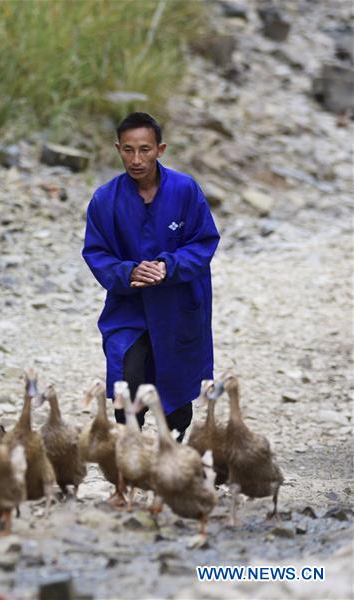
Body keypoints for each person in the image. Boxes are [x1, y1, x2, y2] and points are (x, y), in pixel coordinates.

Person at [81, 112, 220, 440]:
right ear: (118, 149)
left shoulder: (185, 190)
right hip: (129, 306)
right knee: (126, 377)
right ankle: (130, 454)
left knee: (174, 384)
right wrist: (128, 271)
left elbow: (204, 242)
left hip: (177, 303)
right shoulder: (105, 199)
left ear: (160, 149)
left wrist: (167, 266)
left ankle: (170, 454)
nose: (136, 159)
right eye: (128, 150)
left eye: (145, 149)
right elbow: (96, 252)